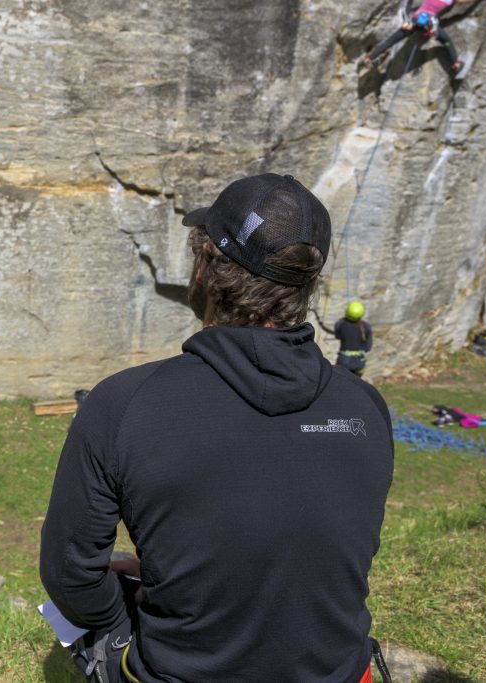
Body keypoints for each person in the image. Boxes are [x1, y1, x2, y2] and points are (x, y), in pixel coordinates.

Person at [40, 174, 395, 682]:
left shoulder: (122, 404)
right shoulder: (365, 407)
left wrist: (125, 621)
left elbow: (70, 577)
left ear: (205, 266)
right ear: (307, 283)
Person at [360, 0, 470, 74]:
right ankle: (455, 62)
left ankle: (370, 57)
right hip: (428, 27)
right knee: (446, 41)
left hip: (414, 22)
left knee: (390, 41)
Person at [335, 300, 374, 377]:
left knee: (341, 383)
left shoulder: (340, 324)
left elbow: (338, 336)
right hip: (359, 361)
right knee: (356, 384)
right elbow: (368, 347)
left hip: (344, 361)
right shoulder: (366, 326)